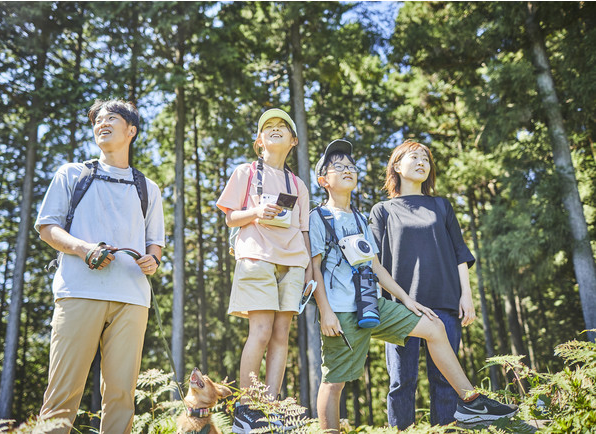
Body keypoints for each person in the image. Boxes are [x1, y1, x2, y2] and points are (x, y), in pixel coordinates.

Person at [310, 139, 517, 433]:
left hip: (395, 304)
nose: (348, 170)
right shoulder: (330, 216)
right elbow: (315, 269)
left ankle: (470, 402)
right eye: (339, 167)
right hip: (346, 309)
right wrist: (326, 312)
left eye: (351, 167)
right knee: (344, 380)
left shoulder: (362, 217)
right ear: (323, 180)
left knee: (437, 338)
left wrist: (408, 299)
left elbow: (374, 265)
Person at [35, 99, 165, 434]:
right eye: (97, 120)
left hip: (133, 299)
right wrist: (83, 249)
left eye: (112, 118)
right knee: (63, 393)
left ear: (131, 131)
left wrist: (153, 259)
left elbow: (155, 241)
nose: (102, 123)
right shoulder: (72, 174)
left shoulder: (148, 187)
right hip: (78, 291)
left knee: (122, 396)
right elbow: (48, 227)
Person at [368, 139, 481, 428]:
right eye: (414, 157)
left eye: (426, 159)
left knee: (444, 381)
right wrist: (401, 299)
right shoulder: (382, 210)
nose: (422, 163)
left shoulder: (441, 206)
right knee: (401, 382)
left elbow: (460, 253)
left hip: (444, 302)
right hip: (401, 308)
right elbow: (373, 263)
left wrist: (466, 296)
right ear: (396, 166)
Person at [216, 108, 312, 434]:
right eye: (267, 127)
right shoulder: (245, 173)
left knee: (281, 335)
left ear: (293, 140)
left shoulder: (298, 184)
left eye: (281, 127)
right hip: (256, 256)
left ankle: (270, 409)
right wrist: (256, 211)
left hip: (294, 263)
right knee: (260, 331)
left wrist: (309, 270)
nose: (273, 129)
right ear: (259, 141)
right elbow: (230, 218)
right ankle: (248, 408)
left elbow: (304, 230)